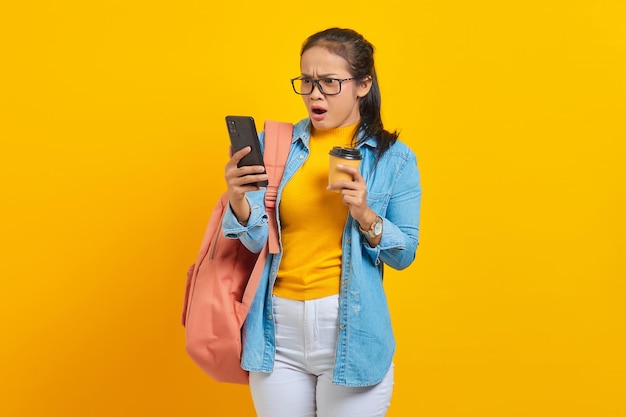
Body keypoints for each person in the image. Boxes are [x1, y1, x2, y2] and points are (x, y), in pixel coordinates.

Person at [222, 27, 421, 417]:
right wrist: (237, 199)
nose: (315, 94)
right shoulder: (275, 145)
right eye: (308, 81)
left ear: (363, 84)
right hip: (275, 329)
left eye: (330, 82)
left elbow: (405, 255)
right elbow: (256, 241)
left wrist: (365, 214)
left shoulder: (394, 159)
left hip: (352, 329)